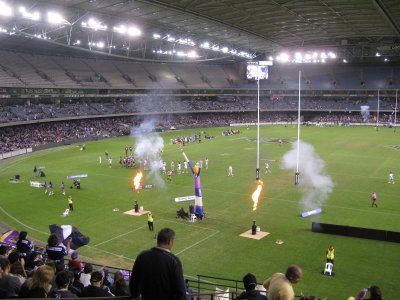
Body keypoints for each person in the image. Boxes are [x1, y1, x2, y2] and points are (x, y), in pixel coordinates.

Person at [129, 227, 186, 300]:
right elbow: (180, 291)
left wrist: (136, 296)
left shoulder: (142, 256)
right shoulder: (173, 261)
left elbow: (133, 283)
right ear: (170, 242)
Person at [182, 151, 204, 219]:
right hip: (198, 188)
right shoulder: (197, 174)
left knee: (197, 199)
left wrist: (184, 155)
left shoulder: (194, 173)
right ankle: (200, 213)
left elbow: (189, 164)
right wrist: (200, 163)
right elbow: (199, 168)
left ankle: (198, 212)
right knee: (199, 199)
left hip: (196, 188)